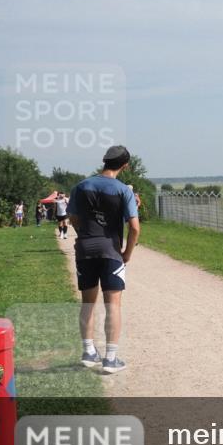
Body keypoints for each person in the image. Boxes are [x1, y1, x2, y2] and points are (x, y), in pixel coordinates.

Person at [68, 146, 140, 375]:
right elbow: (135, 228)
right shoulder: (123, 190)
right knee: (113, 305)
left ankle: (89, 352)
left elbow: (73, 217)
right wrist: (127, 253)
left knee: (87, 303)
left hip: (85, 249)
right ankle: (110, 358)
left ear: (104, 161)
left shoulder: (81, 186)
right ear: (125, 166)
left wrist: (85, 234)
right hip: (111, 251)